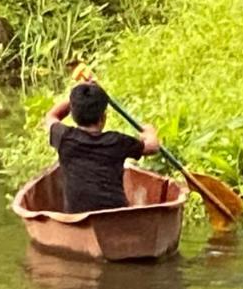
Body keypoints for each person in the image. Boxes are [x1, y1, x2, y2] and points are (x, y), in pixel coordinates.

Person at [42, 82, 160, 213]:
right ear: (103, 117)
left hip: (78, 217)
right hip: (117, 215)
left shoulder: (64, 137)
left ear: (73, 115)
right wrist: (149, 131)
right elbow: (153, 147)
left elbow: (51, 116)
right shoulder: (117, 142)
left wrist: (77, 98)